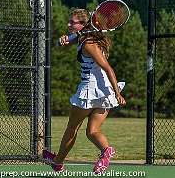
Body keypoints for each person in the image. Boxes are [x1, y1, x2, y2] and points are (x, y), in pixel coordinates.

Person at [43, 9, 126, 174]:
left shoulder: (89, 43)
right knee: (92, 131)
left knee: (72, 128)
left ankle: (58, 162)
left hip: (91, 90)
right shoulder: (85, 38)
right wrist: (64, 41)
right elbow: (70, 41)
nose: (68, 24)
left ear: (83, 25)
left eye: (72, 22)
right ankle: (106, 151)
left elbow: (108, 69)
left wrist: (118, 93)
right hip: (105, 94)